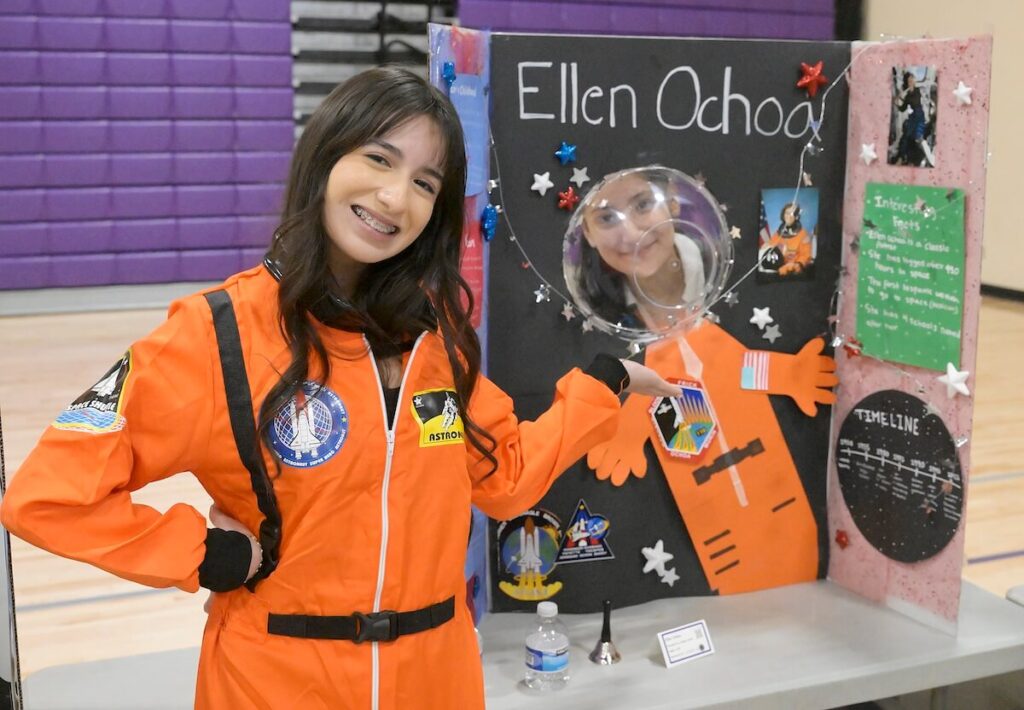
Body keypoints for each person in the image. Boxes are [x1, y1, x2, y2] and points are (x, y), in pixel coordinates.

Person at [0, 67, 677, 709]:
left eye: (424, 182)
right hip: (276, 681)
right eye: (379, 159)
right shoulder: (217, 334)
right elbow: (49, 497)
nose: (393, 197)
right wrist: (206, 555)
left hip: (435, 678)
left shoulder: (434, 335)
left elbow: (505, 481)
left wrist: (604, 383)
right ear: (325, 158)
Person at [571, 168, 707, 334]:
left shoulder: (723, 271)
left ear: (672, 201)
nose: (632, 236)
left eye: (643, 205)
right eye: (607, 218)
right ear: (587, 232)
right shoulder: (586, 316)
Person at [762, 202, 812, 277]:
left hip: (792, 273)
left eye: (792, 214)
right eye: (787, 213)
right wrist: (765, 247)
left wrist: (796, 265)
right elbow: (769, 247)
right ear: (783, 215)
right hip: (776, 269)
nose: (789, 216)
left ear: (796, 216)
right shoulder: (778, 233)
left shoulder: (803, 234)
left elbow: (805, 256)